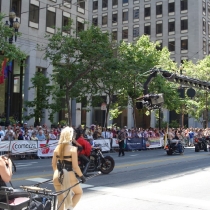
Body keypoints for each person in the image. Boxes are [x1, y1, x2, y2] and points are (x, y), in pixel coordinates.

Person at [52, 127, 86, 210]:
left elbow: (53, 165)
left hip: (57, 175)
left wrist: (59, 173)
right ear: (70, 136)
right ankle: (69, 209)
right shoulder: (73, 149)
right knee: (78, 193)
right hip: (69, 175)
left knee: (61, 201)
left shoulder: (56, 149)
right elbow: (75, 167)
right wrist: (82, 176)